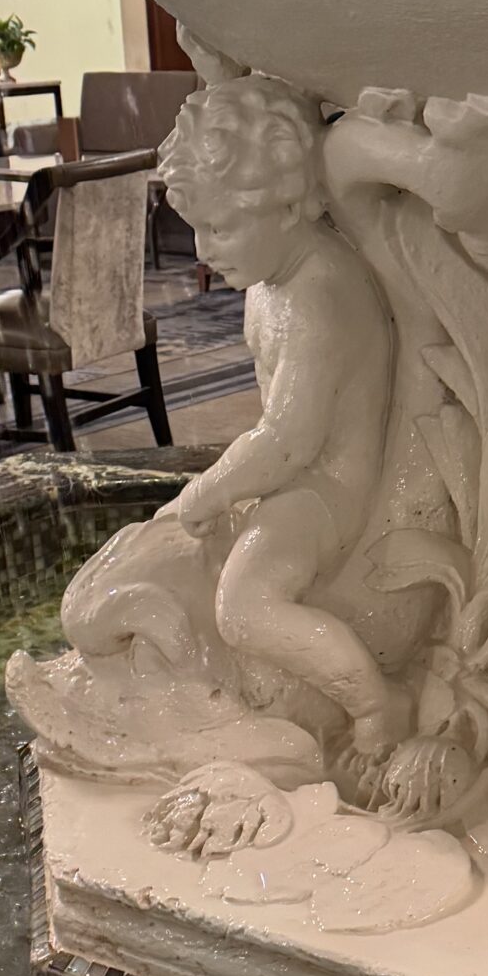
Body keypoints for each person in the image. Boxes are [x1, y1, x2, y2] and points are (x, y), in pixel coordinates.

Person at [160, 74, 414, 771]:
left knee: (243, 606)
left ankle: (375, 703)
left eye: (221, 227)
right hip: (292, 475)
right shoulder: (274, 280)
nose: (203, 249)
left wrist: (209, 490)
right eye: (197, 228)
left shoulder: (317, 296)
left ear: (287, 201)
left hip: (326, 488)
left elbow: (288, 440)